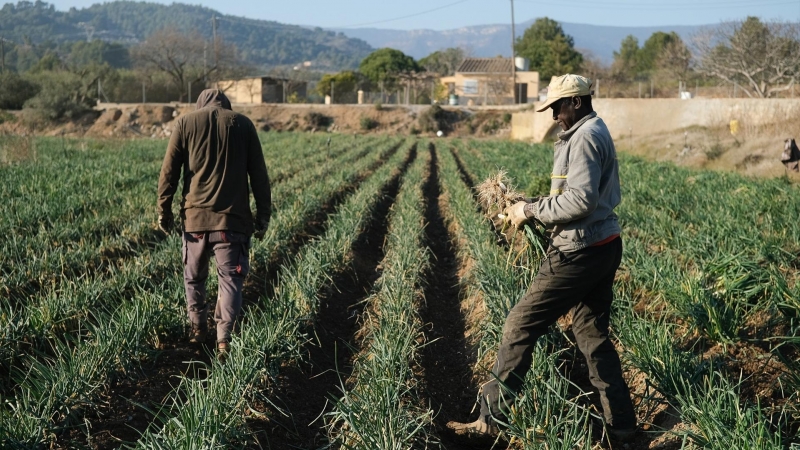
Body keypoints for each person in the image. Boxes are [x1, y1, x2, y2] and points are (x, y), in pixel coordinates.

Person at [446, 74, 636, 444]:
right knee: (592, 337)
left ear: (576, 102)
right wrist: (527, 207)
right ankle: (623, 428)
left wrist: (529, 210)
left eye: (557, 107)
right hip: (602, 244)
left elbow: (580, 200)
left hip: (579, 251)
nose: (553, 116)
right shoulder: (592, 129)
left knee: (520, 324)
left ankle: (490, 419)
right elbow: (578, 197)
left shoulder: (584, 138)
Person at [157, 89, 271, 357]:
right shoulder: (243, 124)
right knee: (230, 280)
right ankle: (224, 339)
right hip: (232, 223)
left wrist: (164, 210)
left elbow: (169, 171)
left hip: (195, 221)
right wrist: (263, 214)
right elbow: (259, 175)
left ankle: (198, 331)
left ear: (200, 104)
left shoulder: (185, 123)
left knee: (194, 278)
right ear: (226, 105)